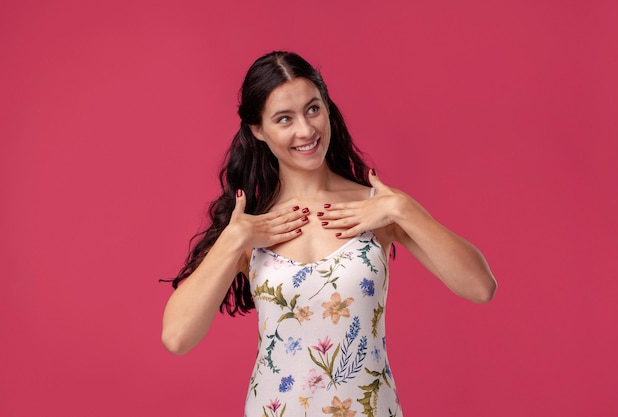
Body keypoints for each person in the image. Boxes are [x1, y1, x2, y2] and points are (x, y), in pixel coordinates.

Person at [161, 51, 497, 417]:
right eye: (284, 119)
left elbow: (480, 287)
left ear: (327, 107)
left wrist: (403, 208)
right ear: (258, 130)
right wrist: (233, 240)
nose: (306, 130)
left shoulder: (375, 209)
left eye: (312, 109)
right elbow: (177, 338)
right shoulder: (251, 227)